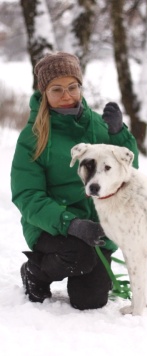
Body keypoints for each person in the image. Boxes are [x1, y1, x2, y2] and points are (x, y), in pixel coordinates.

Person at [11, 51, 139, 310]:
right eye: (56, 89)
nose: (66, 95)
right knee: (77, 256)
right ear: (44, 92)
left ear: (80, 87)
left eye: (72, 87)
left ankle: (90, 272)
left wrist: (118, 135)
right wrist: (71, 224)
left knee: (90, 300)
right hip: (50, 227)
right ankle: (36, 271)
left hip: (97, 228)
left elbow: (129, 176)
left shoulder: (98, 127)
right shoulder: (33, 136)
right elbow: (27, 196)